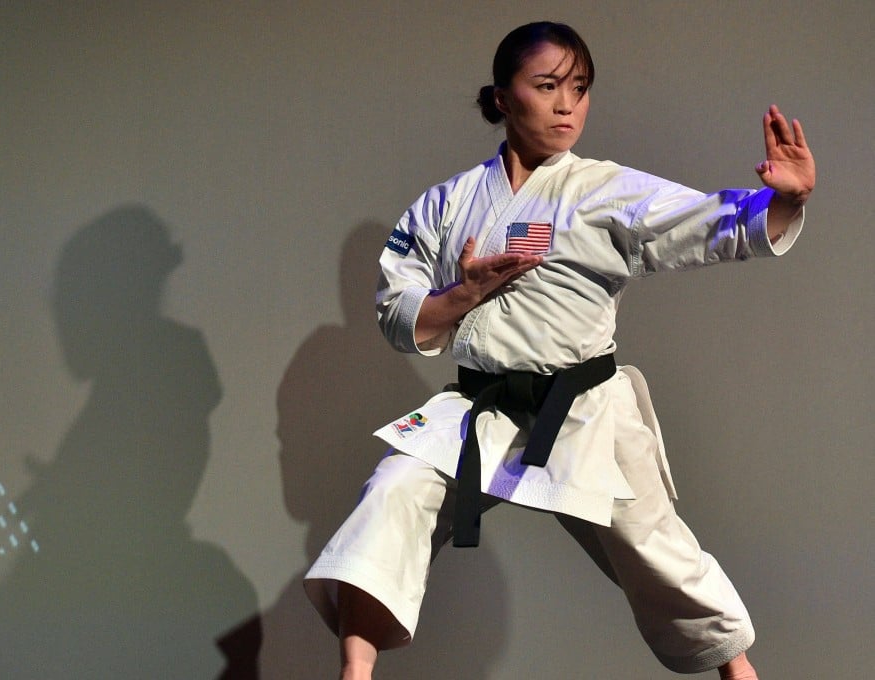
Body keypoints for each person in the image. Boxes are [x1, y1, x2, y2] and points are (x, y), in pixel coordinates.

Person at [304, 21, 814, 680]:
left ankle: (740, 674)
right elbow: (394, 307)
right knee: (393, 489)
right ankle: (354, 672)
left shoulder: (606, 190)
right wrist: (462, 297)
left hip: (585, 407)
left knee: (658, 550)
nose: (567, 104)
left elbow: (708, 223)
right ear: (501, 100)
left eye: (580, 88)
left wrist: (782, 201)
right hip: (482, 405)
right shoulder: (445, 204)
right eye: (547, 87)